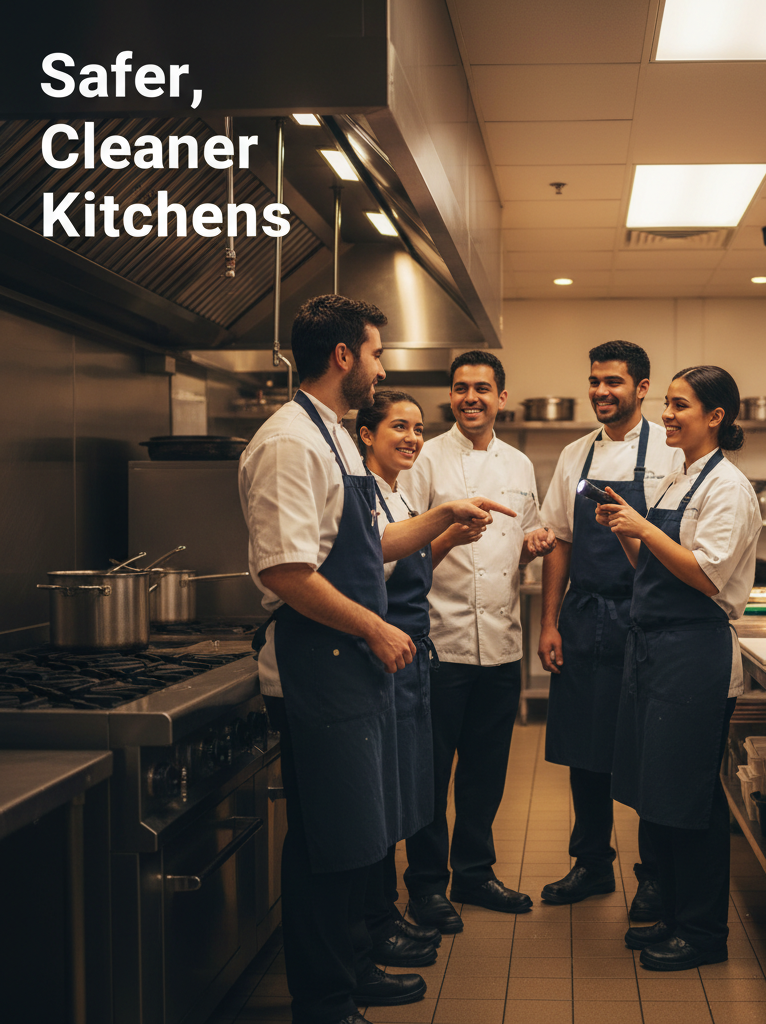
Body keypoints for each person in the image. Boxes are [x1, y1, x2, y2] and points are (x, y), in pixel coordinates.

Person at [239, 297, 513, 1024]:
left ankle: (354, 968)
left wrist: (443, 516)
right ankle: (324, 1003)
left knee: (357, 835)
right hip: (319, 665)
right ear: (343, 358)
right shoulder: (288, 443)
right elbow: (285, 571)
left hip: (347, 666)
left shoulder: (328, 437)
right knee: (328, 844)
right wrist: (376, 629)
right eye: (377, 354)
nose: (383, 367)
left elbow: (368, 548)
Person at [597, 365, 760, 971]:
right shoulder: (677, 479)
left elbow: (707, 573)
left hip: (694, 655)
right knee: (654, 794)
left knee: (689, 798)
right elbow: (654, 565)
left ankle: (703, 933)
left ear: (715, 417)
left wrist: (642, 526)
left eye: (679, 405)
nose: (666, 414)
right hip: (654, 652)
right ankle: (669, 914)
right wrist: (623, 530)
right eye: (665, 403)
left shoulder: (729, 488)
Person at [401, 350, 557, 933]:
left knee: (487, 769)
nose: (472, 397)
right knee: (432, 771)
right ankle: (425, 887)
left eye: (483, 388)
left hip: (501, 643)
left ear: (502, 397)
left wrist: (532, 544)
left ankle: (473, 872)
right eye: (462, 388)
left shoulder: (519, 465)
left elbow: (513, 547)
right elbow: (404, 545)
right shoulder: (423, 458)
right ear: (449, 395)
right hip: (437, 641)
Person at [537, 341, 683, 915]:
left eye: (614, 382)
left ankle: (651, 875)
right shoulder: (575, 455)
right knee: (584, 748)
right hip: (584, 614)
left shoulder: (670, 456)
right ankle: (592, 863)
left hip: (643, 617)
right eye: (594, 381)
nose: (601, 391)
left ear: (641, 388)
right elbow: (560, 541)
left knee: (644, 747)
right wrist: (549, 622)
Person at [356, 389, 488, 969]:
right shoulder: (360, 497)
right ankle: (375, 918)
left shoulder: (396, 495)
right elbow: (368, 560)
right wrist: (446, 516)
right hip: (378, 657)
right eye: (398, 427)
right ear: (366, 435)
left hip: (408, 656)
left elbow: (406, 563)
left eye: (417, 428)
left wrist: (446, 539)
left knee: (401, 792)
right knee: (379, 799)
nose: (412, 437)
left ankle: (385, 913)